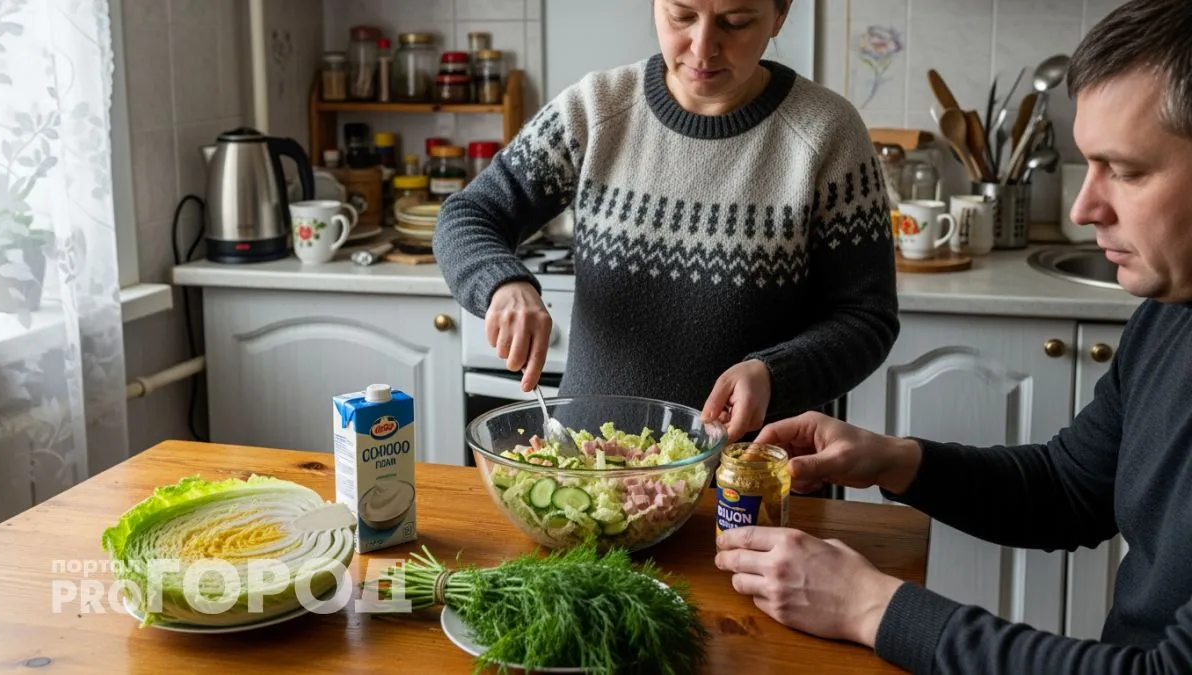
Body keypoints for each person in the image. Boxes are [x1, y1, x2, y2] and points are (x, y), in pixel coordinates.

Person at [713, 0, 1192, 671]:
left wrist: (871, 607)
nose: (1085, 209)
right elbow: (1069, 488)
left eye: (1130, 171)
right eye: (1091, 166)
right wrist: (892, 459)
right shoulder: (1172, 312)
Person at [433, 0, 899, 442]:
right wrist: (502, 283)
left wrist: (775, 374)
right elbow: (469, 214)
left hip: (748, 483)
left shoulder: (826, 135)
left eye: (735, 23)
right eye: (680, 15)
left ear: (780, 15)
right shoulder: (595, 110)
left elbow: (866, 317)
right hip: (589, 472)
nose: (701, 47)